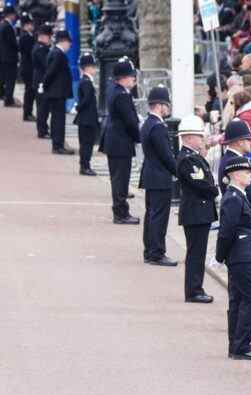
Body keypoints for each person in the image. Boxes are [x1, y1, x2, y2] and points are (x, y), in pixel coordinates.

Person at [216, 156, 251, 361]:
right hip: (243, 256)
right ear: (235, 175)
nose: (250, 175)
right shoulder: (234, 198)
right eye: (246, 172)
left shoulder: (237, 195)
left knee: (238, 299)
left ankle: (236, 344)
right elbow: (227, 231)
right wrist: (219, 256)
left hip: (242, 255)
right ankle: (242, 344)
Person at [176, 116, 217, 304]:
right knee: (196, 253)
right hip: (195, 211)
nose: (202, 140)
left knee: (198, 252)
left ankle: (195, 287)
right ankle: (193, 290)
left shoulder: (194, 156)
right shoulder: (187, 159)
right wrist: (214, 190)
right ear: (189, 137)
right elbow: (201, 183)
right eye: (199, 136)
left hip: (199, 211)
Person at [139, 86, 178, 267]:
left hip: (150, 175)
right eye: (166, 105)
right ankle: (157, 252)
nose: (168, 109)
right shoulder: (158, 127)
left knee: (151, 215)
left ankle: (150, 250)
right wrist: (180, 173)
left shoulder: (149, 123)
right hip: (159, 177)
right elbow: (166, 156)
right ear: (160, 105)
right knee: (159, 217)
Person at [102, 57, 140, 225]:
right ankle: (120, 212)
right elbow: (130, 121)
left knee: (118, 178)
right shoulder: (122, 95)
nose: (134, 79)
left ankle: (121, 210)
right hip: (120, 143)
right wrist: (138, 137)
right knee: (120, 179)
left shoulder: (116, 90)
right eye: (131, 76)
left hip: (115, 141)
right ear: (124, 78)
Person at [218, 120, 251, 223]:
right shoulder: (234, 162)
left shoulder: (231, 159)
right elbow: (250, 194)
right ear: (240, 142)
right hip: (243, 219)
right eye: (248, 139)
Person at [41, 30, 75, 155]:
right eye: (69, 43)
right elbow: (50, 72)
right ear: (64, 42)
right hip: (57, 92)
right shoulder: (58, 54)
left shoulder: (55, 53)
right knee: (59, 119)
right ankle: (58, 145)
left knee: (57, 119)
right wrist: (45, 85)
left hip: (56, 92)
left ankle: (58, 144)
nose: (70, 46)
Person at [74, 53, 100, 176]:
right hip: (87, 119)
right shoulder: (86, 82)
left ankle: (85, 165)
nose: (95, 69)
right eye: (93, 67)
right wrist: (78, 108)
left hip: (86, 118)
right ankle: (85, 166)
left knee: (86, 143)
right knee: (87, 144)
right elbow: (86, 100)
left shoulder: (86, 81)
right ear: (87, 68)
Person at [32, 24, 53, 140]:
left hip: (40, 80)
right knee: (42, 107)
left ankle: (43, 128)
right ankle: (42, 130)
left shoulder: (41, 48)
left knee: (43, 107)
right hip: (40, 81)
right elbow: (46, 64)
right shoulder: (40, 49)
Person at [0, 6, 19, 107]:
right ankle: (8, 99)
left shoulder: (1, 25)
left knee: (4, 77)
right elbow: (13, 43)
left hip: (3, 56)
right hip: (10, 57)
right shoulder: (8, 27)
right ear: (11, 15)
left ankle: (4, 95)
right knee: (10, 79)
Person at [18, 13, 36, 122]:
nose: (32, 26)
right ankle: (27, 113)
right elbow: (30, 53)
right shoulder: (26, 37)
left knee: (30, 91)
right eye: (29, 24)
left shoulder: (28, 36)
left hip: (28, 67)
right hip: (28, 67)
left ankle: (28, 112)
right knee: (29, 92)